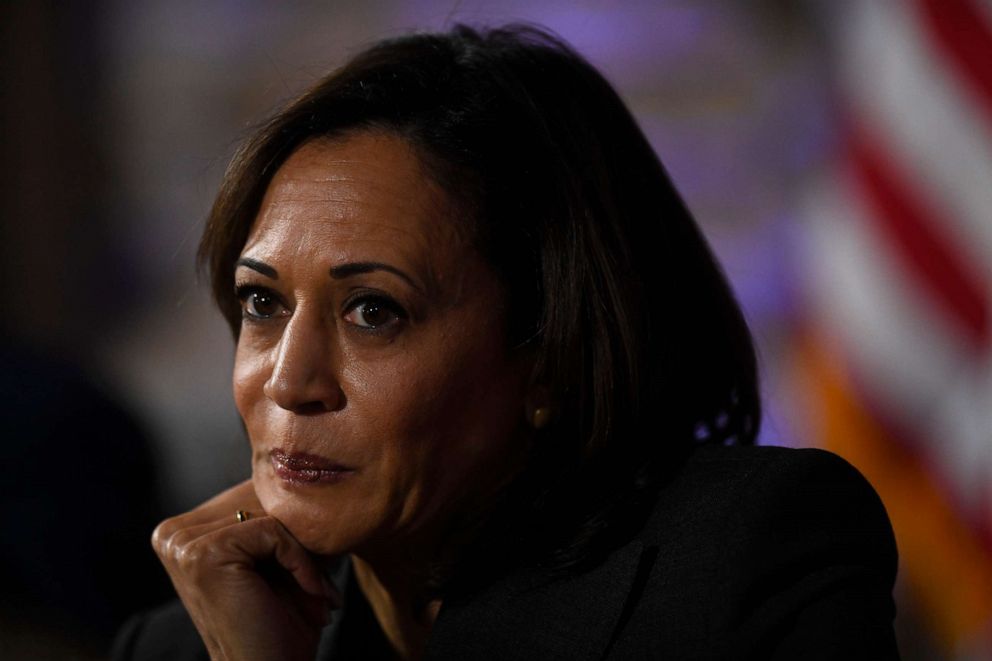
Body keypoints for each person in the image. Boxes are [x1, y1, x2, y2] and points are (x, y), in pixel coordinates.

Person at [113, 24, 899, 660]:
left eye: (372, 312)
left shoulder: (741, 569)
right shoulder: (186, 640)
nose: (290, 381)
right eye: (262, 302)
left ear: (551, 355)